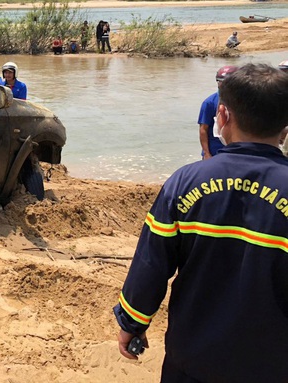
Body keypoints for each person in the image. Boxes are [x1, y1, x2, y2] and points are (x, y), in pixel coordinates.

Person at [113, 63, 288, 382]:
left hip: (193, 359)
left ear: (223, 116)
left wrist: (132, 323)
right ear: (285, 128)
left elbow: (151, 265)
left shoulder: (185, 182)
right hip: (272, 363)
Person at [198, 65, 238, 159]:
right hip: (215, 152)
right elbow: (203, 129)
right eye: (219, 81)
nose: (221, 85)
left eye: (225, 82)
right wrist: (206, 153)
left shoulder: (244, 101)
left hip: (237, 151)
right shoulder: (210, 102)